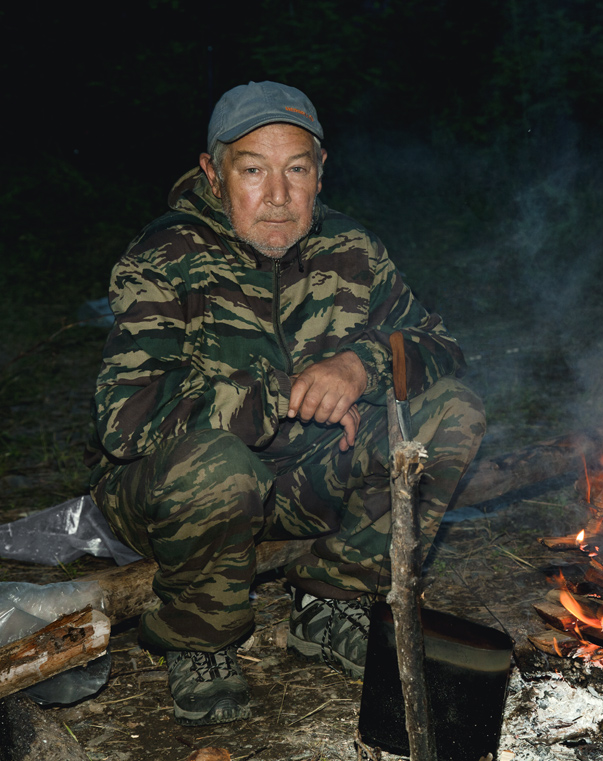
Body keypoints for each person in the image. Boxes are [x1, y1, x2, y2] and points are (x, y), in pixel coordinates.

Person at [85, 81, 485, 726]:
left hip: (302, 481)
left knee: (452, 411)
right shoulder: (164, 257)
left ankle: (332, 600)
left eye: (296, 170)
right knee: (220, 466)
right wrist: (281, 397)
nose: (277, 196)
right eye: (253, 171)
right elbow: (126, 418)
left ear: (320, 171)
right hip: (173, 492)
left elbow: (441, 346)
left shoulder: (353, 250)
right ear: (213, 174)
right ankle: (200, 639)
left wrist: (360, 365)